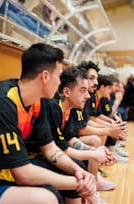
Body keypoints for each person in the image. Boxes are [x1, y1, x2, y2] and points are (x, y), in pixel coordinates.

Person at [0, 43, 96, 204]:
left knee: (71, 171)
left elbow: (50, 149)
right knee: (46, 198)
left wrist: (79, 172)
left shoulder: (37, 103)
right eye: (59, 76)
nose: (60, 83)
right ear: (45, 76)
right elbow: (23, 175)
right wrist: (78, 183)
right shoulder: (0, 103)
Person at [45, 67, 114, 203]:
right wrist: (93, 154)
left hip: (55, 151)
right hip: (38, 156)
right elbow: (62, 149)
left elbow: (70, 139)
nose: (88, 95)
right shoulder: (53, 107)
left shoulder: (69, 109)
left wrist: (95, 151)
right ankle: (93, 196)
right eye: (83, 90)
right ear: (66, 92)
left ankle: (92, 194)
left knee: (88, 153)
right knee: (77, 168)